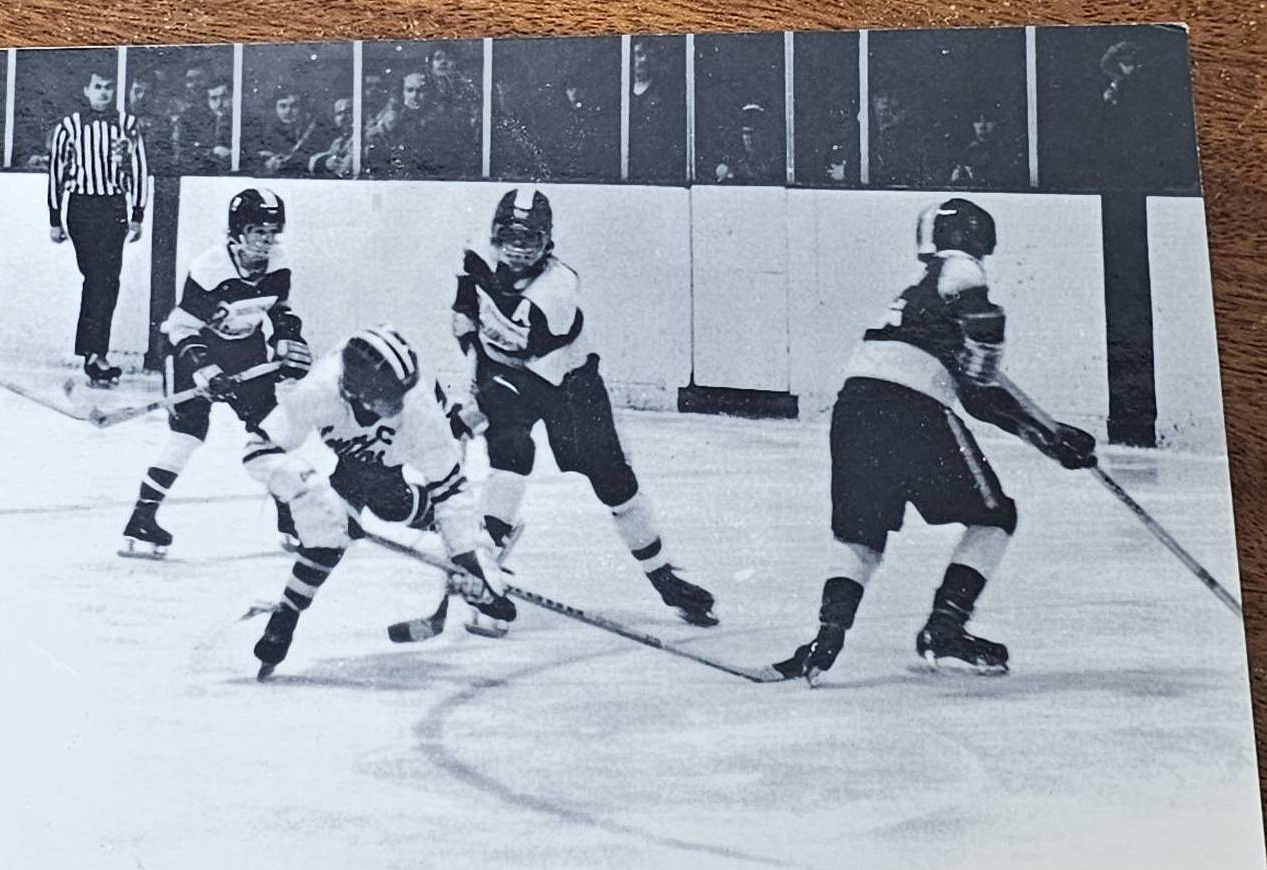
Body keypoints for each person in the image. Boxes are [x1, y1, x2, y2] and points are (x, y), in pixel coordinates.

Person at [773, 199, 1098, 687]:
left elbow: (979, 397)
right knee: (995, 516)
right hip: (913, 409)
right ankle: (946, 627)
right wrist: (1050, 435)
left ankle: (827, 638)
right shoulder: (959, 266)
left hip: (854, 407)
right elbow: (982, 343)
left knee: (861, 537)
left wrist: (1049, 436)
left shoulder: (913, 297)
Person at [451, 188, 717, 634]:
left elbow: (530, 368)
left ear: (547, 243)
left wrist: (472, 411)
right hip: (505, 373)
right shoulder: (476, 256)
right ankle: (487, 565)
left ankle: (664, 579)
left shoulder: (556, 290)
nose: (518, 250)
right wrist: (471, 364)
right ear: (495, 235)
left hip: (566, 383)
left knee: (614, 482)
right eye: (510, 238)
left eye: (530, 240)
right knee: (509, 456)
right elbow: (466, 315)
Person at [242, 327, 516, 678]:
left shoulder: (417, 407)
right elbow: (257, 451)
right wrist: (309, 488)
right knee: (325, 533)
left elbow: (449, 488)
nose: (399, 404)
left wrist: (468, 560)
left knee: (392, 503)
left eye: (402, 392)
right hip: (352, 456)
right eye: (389, 397)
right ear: (355, 392)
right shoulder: (319, 390)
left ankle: (475, 538)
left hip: (397, 449)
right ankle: (286, 616)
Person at [119, 189, 312, 558]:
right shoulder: (211, 269)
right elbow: (181, 327)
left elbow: (279, 310)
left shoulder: (278, 263)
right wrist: (205, 369)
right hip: (192, 349)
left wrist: (289, 339)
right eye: (259, 232)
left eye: (273, 232)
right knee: (187, 436)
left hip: (245, 349)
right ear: (238, 231)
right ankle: (141, 520)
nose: (267, 241)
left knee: (271, 432)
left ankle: (290, 519)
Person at [46, 67, 148, 387]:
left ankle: (94, 354)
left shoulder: (128, 124)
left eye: (108, 87)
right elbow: (56, 171)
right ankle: (94, 353)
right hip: (82, 208)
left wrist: (138, 213)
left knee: (107, 281)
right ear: (86, 91)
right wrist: (54, 218)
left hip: (114, 207)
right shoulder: (69, 126)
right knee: (98, 278)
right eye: (98, 87)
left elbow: (139, 168)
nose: (103, 92)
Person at [627, 40, 684, 183]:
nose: (644, 60)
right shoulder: (623, 91)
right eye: (639, 54)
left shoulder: (665, 93)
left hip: (656, 170)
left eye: (649, 55)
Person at [253, 87, 318, 176]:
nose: (287, 111)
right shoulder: (264, 131)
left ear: (302, 108)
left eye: (294, 106)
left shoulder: (312, 130)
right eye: (283, 106)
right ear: (275, 108)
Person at [174, 75, 233, 173]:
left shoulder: (245, 124)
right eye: (214, 98)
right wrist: (212, 154)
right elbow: (183, 154)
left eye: (224, 97)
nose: (219, 103)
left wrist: (233, 154)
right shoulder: (195, 122)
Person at [714, 103, 781, 185]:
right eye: (746, 133)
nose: (750, 139)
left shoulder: (771, 163)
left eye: (754, 133)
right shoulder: (729, 166)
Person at [309, 98, 354, 177]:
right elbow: (313, 161)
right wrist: (326, 162)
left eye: (348, 112)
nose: (343, 117)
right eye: (339, 114)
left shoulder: (363, 138)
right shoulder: (339, 141)